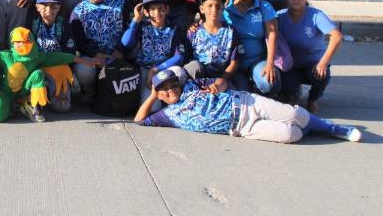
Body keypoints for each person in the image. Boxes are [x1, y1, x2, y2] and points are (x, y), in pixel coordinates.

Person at [135, 68, 362, 144]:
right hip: (241, 128)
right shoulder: (168, 115)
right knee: (290, 134)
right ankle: (312, 127)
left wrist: (218, 85)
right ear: (160, 94)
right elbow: (139, 120)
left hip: (246, 104)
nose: (171, 89)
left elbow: (222, 82)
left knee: (295, 113)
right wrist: (153, 96)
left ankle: (332, 129)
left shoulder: (193, 85)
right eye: (164, 89)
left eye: (173, 84)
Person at [0, 27, 97, 123]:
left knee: (37, 74)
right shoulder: (6, 56)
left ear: (30, 41)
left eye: (24, 41)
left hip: (25, 89)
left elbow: (60, 57)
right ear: (12, 43)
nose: (20, 45)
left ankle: (31, 104)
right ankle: (16, 106)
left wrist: (83, 60)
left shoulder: (38, 56)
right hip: (6, 92)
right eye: (17, 42)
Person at [278, 0, 342, 113]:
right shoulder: (279, 16)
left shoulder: (316, 15)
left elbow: (337, 37)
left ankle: (313, 98)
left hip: (314, 65)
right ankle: (291, 93)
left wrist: (323, 63)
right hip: (290, 66)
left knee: (321, 75)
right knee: (287, 91)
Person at [69, 0, 131, 102]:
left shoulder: (120, 4)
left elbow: (131, 29)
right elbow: (78, 40)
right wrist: (95, 54)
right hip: (93, 56)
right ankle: (92, 91)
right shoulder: (78, 11)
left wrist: (120, 51)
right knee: (83, 71)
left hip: (118, 54)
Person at [121, 0, 185, 113]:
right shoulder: (141, 26)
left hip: (164, 69)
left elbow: (179, 56)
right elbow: (125, 43)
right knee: (153, 109)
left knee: (180, 72)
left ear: (167, 9)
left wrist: (156, 69)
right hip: (144, 69)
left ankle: (177, 106)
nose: (157, 13)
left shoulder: (174, 29)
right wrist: (136, 20)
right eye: (152, 9)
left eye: (161, 8)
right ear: (146, 12)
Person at [224, 0, 281, 96]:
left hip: (258, 60)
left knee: (269, 83)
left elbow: (272, 35)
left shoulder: (264, 6)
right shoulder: (224, 9)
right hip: (234, 64)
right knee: (243, 96)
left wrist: (270, 64)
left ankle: (268, 97)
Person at [28, 0, 77, 112]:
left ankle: (57, 91)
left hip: (57, 67)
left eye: (53, 6)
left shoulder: (64, 25)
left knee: (62, 107)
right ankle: (31, 98)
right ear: (37, 7)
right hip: (37, 66)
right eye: (44, 6)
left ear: (59, 8)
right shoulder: (32, 24)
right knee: (31, 75)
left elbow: (69, 52)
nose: (48, 10)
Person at [184, 0, 239, 89]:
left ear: (223, 8)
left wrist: (221, 80)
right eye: (209, 6)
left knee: (236, 97)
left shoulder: (231, 32)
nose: (214, 10)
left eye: (218, 6)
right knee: (194, 66)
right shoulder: (193, 32)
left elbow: (234, 62)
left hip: (222, 77)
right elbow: (186, 58)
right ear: (202, 9)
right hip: (199, 77)